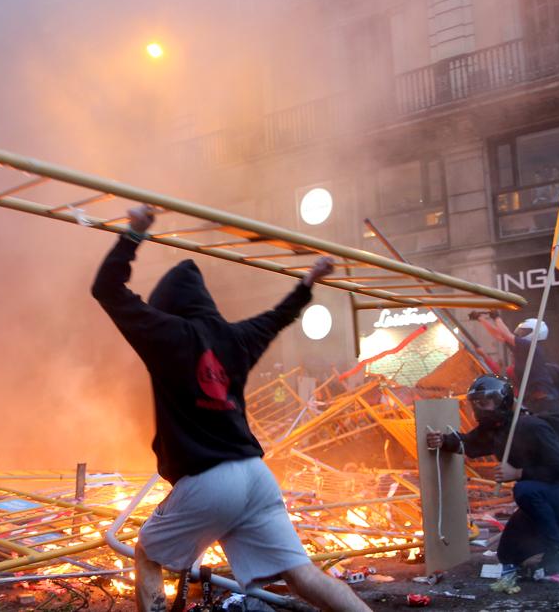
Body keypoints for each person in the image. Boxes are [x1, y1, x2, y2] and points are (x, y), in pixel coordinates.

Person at [91, 205, 369, 612]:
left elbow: (107, 289)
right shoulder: (236, 338)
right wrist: (309, 281)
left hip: (208, 481)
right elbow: (278, 318)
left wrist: (135, 232)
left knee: (148, 556)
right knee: (303, 575)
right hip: (255, 476)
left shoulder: (166, 333)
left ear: (166, 305)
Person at [426, 375, 559, 577]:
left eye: (484, 402)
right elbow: (469, 444)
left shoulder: (531, 426)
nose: (479, 409)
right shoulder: (496, 430)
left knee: (524, 489)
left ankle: (558, 551)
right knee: (508, 554)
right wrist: (442, 441)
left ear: (501, 401)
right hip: (545, 497)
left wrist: (519, 473)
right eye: (476, 404)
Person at [471, 311, 559, 415]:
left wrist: (496, 317)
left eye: (523, 331)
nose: (519, 334)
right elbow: (500, 336)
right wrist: (481, 319)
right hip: (534, 401)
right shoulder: (524, 348)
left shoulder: (531, 346)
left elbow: (506, 335)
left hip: (545, 402)